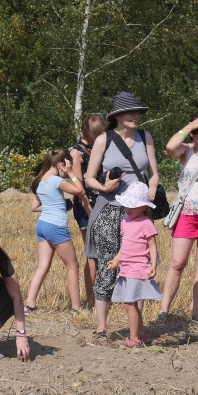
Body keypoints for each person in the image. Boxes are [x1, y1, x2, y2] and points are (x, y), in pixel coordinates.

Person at [84, 92, 160, 338]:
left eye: (138, 112)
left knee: (138, 266)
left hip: (138, 212)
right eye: (131, 112)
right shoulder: (103, 140)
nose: (136, 116)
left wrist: (151, 189)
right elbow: (89, 178)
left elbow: (154, 172)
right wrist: (104, 188)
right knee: (108, 264)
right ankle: (101, 327)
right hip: (108, 209)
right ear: (117, 116)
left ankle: (136, 329)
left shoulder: (145, 136)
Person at [157, 114, 198, 322]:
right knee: (177, 263)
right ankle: (164, 310)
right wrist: (190, 125)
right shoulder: (186, 150)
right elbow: (170, 147)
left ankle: (197, 310)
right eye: (196, 131)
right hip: (186, 214)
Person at [24, 150, 86, 314]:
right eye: (65, 168)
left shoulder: (40, 180)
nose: (65, 173)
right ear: (61, 165)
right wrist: (72, 173)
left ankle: (29, 304)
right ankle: (76, 308)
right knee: (72, 266)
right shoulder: (56, 180)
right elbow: (79, 190)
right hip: (56, 226)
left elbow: (34, 207)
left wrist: (57, 205)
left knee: (43, 266)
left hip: (42, 225)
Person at [106, 182, 163, 348]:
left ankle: (134, 338)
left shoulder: (146, 223)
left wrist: (153, 265)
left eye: (133, 205)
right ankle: (143, 334)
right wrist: (117, 259)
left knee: (129, 303)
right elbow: (125, 247)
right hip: (126, 268)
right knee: (130, 304)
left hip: (138, 268)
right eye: (126, 205)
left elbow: (152, 246)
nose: (128, 208)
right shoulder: (125, 223)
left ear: (144, 206)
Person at [69, 114, 107, 306]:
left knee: (104, 252)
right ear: (88, 133)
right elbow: (79, 189)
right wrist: (90, 213)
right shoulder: (76, 153)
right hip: (86, 208)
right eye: (98, 135)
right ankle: (91, 301)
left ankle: (102, 296)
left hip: (102, 202)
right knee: (92, 254)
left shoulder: (99, 147)